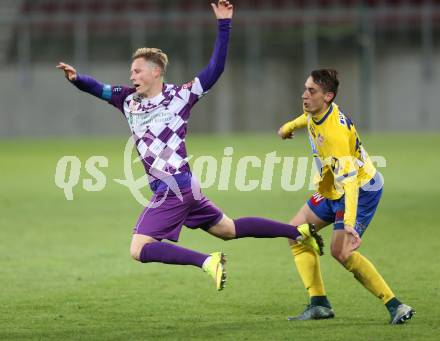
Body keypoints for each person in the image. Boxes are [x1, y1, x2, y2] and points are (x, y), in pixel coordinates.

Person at [57, 0, 323, 292]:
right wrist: (76, 79)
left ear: (156, 71)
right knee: (228, 229)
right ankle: (298, 232)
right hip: (186, 186)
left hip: (173, 186)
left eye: (137, 71)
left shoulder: (181, 96)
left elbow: (215, 67)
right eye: (131, 72)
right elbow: (98, 88)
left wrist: (224, 23)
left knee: (139, 248)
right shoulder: (127, 100)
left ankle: (207, 262)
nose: (131, 76)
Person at [278, 69, 415, 324]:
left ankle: (395, 305)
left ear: (328, 96)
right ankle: (319, 304)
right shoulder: (317, 112)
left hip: (361, 190)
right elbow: (306, 120)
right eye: (305, 89)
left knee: (340, 252)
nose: (304, 95)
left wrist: (349, 224)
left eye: (312, 91)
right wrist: (288, 127)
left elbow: (350, 184)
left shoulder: (335, 136)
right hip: (333, 186)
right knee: (294, 232)